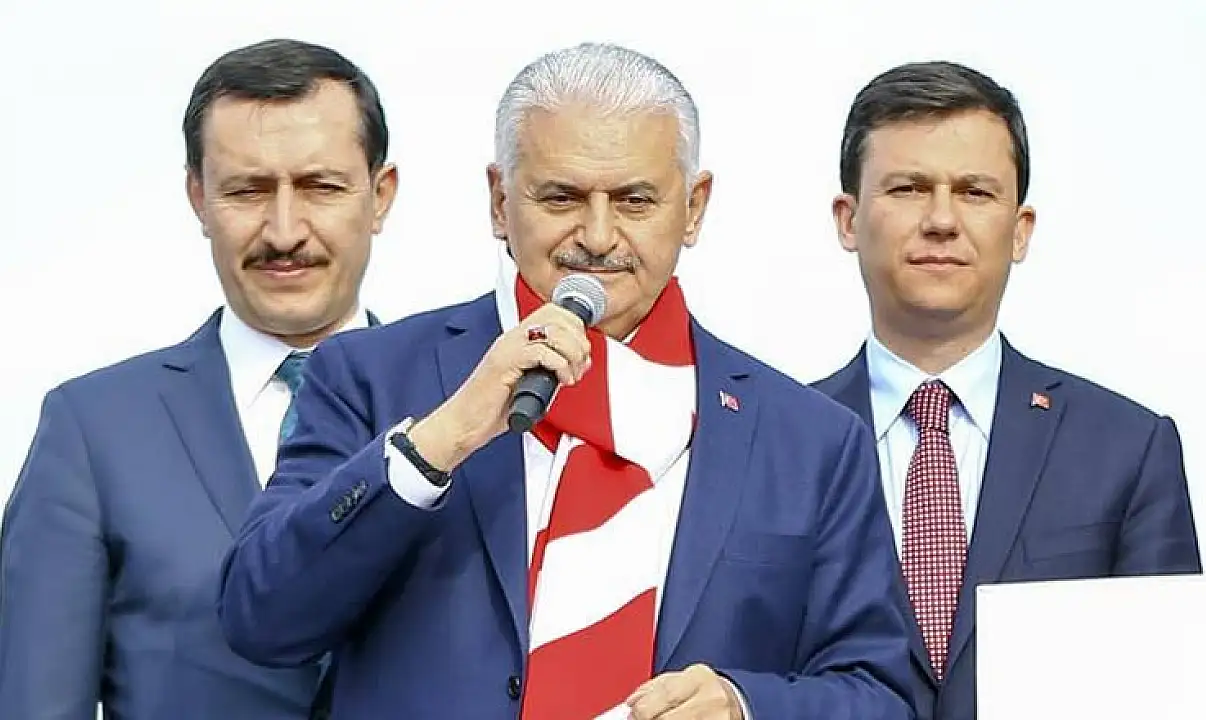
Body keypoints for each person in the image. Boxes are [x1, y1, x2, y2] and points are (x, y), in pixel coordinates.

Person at [217, 42, 914, 720]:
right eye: (561, 197)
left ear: (694, 206)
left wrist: (745, 707)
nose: (598, 237)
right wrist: (441, 439)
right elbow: (261, 617)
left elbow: (877, 694)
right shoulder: (369, 376)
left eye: (635, 200)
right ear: (500, 200)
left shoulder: (810, 441)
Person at [0, 38, 398, 719]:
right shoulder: (93, 433)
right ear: (198, 197)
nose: (284, 231)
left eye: (319, 187)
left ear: (380, 195)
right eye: (247, 190)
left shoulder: (468, 409)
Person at [813, 60, 1202, 720]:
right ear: (848, 220)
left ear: (1020, 230)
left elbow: (1172, 691)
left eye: (975, 192)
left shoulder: (1128, 450)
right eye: (908, 188)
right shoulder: (775, 443)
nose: (941, 220)